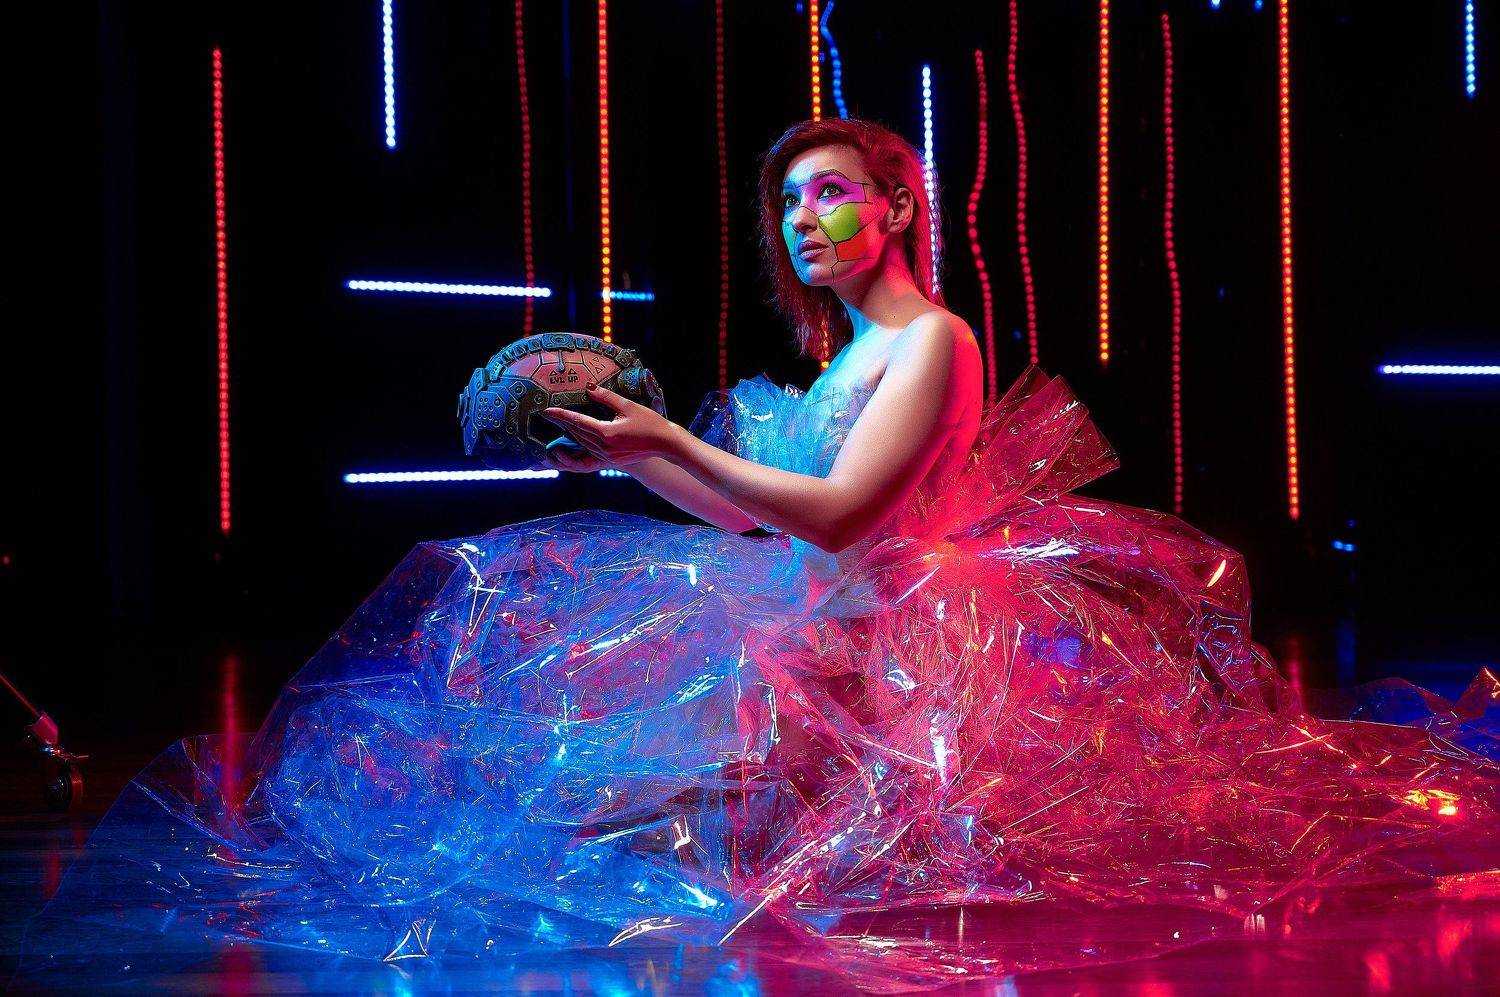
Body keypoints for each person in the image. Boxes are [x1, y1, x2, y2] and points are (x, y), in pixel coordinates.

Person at [30, 118, 1497, 990]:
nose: (806, 221)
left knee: (682, 849)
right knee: (611, 811)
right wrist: (636, 456)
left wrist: (666, 441)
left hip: (890, 643)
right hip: (811, 624)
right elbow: (757, 513)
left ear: (897, 206)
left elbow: (847, 515)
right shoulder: (840, 360)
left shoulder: (933, 341)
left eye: (831, 192)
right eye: (789, 205)